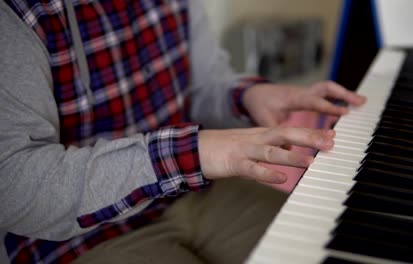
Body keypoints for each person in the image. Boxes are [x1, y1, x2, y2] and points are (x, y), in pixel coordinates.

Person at [0, 0, 366, 263]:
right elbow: (14, 186)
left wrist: (246, 95)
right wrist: (190, 153)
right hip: (77, 237)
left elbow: (201, 85)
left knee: (330, 242)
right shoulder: (15, 14)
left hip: (190, 190)